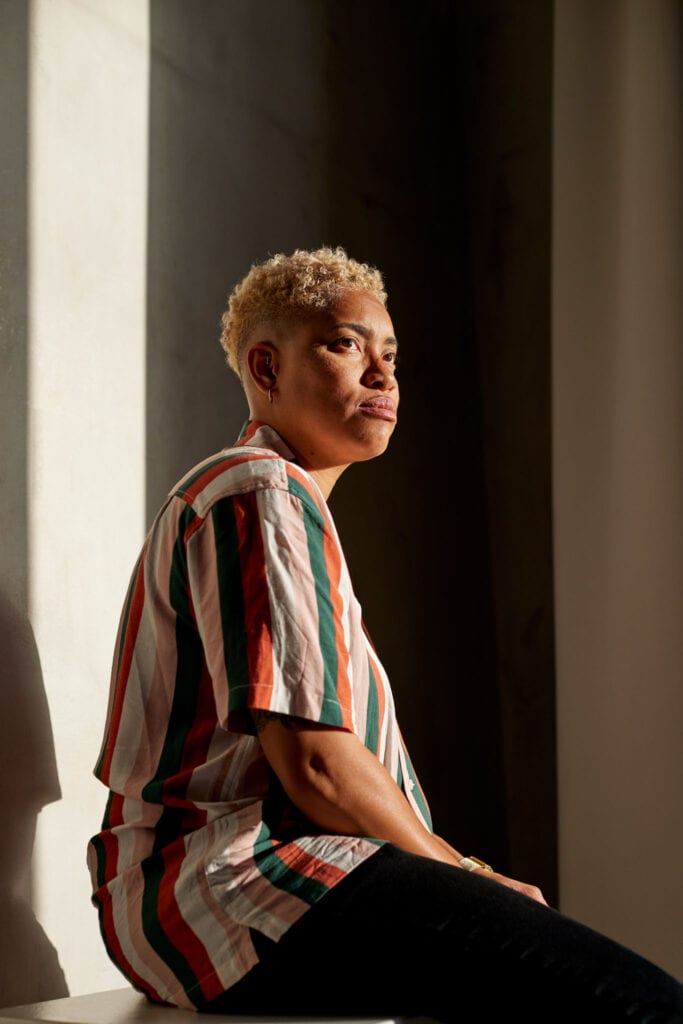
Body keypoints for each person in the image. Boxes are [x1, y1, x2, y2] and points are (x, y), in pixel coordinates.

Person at [87, 246, 683, 1023]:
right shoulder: (260, 488)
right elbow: (318, 768)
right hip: (233, 886)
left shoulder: (278, 506)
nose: (383, 375)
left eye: (391, 355)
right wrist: (470, 876)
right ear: (264, 369)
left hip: (243, 891)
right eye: (345, 344)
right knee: (644, 1009)